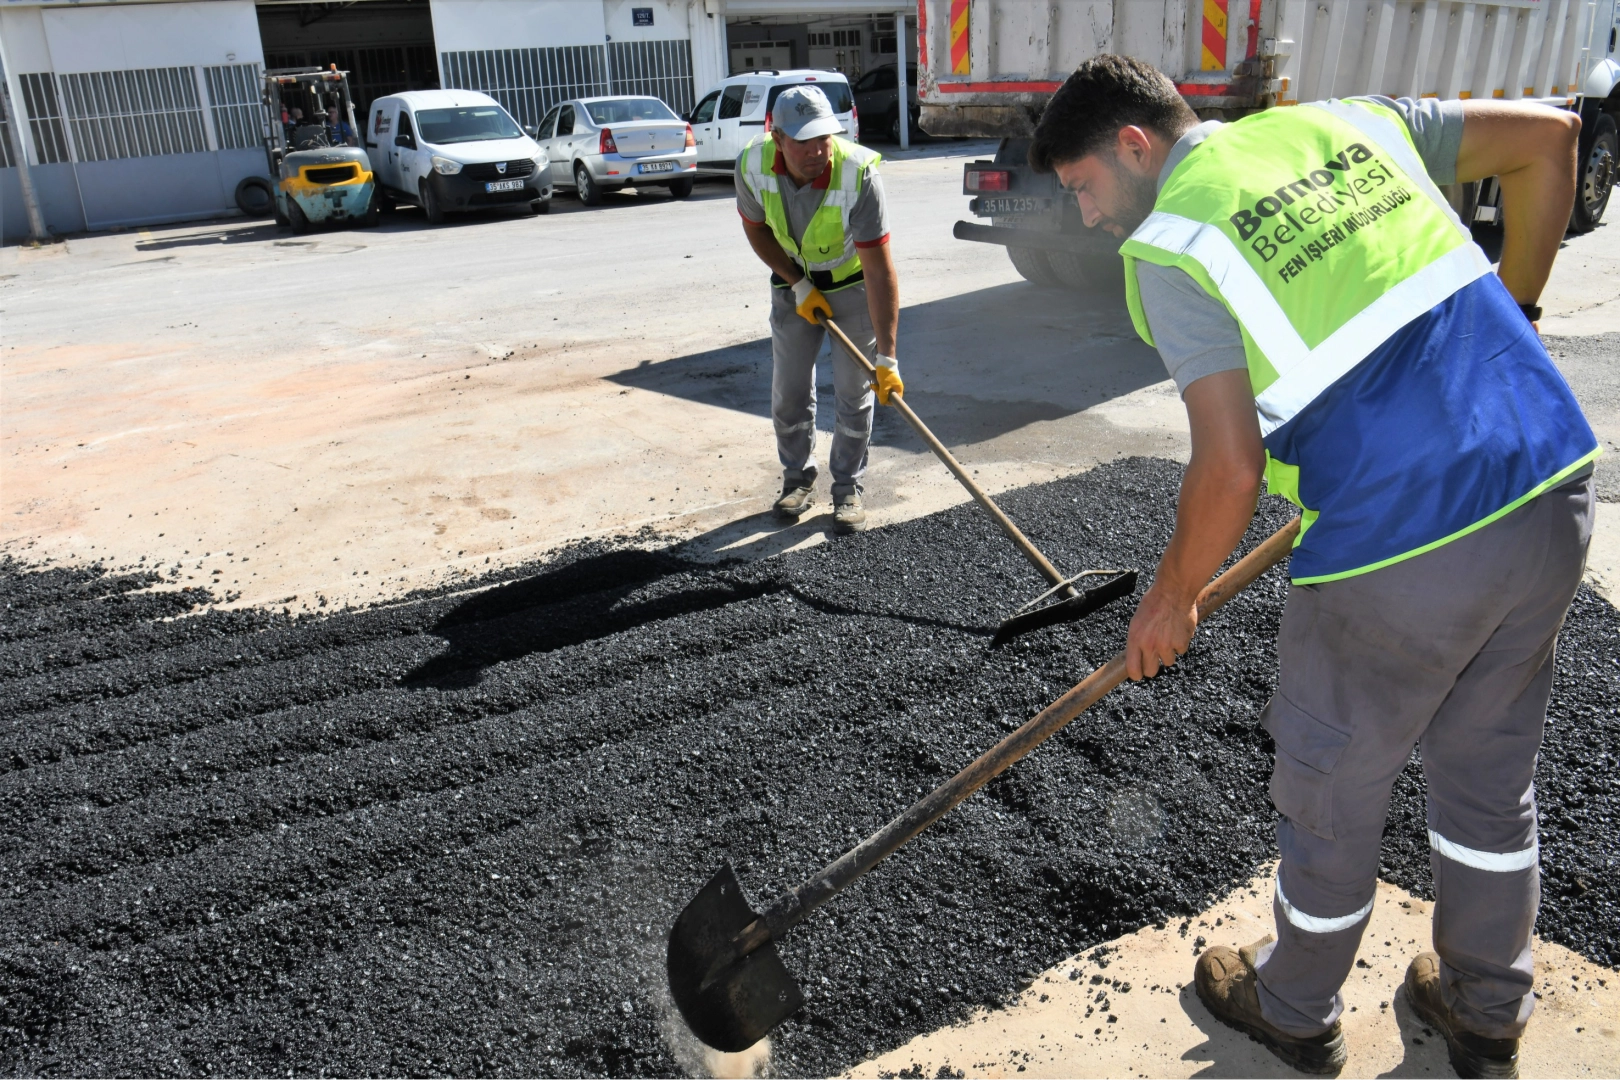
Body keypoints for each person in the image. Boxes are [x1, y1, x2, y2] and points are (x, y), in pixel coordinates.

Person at [1027, 56, 1597, 1080]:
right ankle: (1484, 1007)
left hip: (1401, 535)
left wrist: (1171, 599)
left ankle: (1291, 1006)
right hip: (1549, 478)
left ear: (1133, 146)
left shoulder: (1174, 243)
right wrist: (1517, 309)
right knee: (1486, 775)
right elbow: (1554, 140)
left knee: (1332, 780)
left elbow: (1232, 465)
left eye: (1082, 189)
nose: (1084, 217)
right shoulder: (1348, 123)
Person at [735, 85, 901, 533]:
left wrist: (886, 358)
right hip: (794, 285)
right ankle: (797, 480)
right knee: (789, 393)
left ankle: (847, 487)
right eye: (804, 140)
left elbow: (880, 269)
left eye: (824, 137)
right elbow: (756, 231)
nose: (817, 150)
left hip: (852, 286)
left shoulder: (858, 173)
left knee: (854, 393)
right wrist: (798, 283)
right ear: (777, 137)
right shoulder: (752, 165)